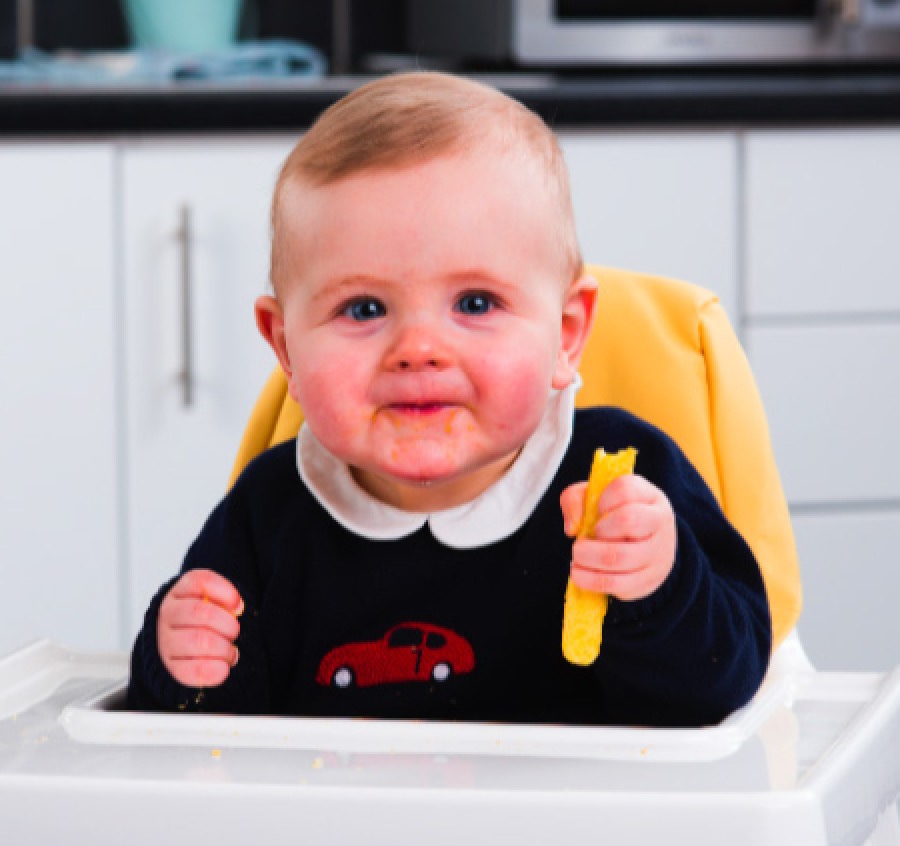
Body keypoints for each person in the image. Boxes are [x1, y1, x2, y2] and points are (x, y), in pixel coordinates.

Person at [127, 72, 770, 726]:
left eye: (475, 303)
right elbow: (202, 738)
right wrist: (179, 659)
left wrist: (660, 587)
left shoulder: (625, 487)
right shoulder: (268, 517)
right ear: (286, 347)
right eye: (364, 307)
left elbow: (727, 687)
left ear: (566, 336)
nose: (418, 348)